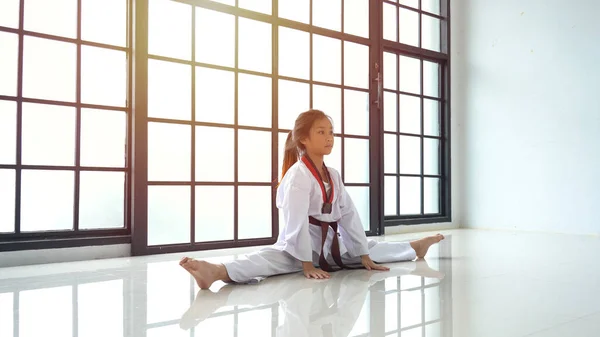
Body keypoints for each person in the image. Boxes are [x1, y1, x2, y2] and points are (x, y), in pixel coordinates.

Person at [180, 110, 444, 289]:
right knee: (267, 261)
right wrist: (306, 263)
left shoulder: (334, 174)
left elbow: (349, 214)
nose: (329, 137)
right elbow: (295, 223)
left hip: (328, 244)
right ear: (303, 139)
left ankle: (414, 247)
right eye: (321, 132)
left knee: (369, 248)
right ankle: (214, 272)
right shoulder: (297, 176)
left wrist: (362, 254)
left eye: (330, 132)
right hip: (298, 246)